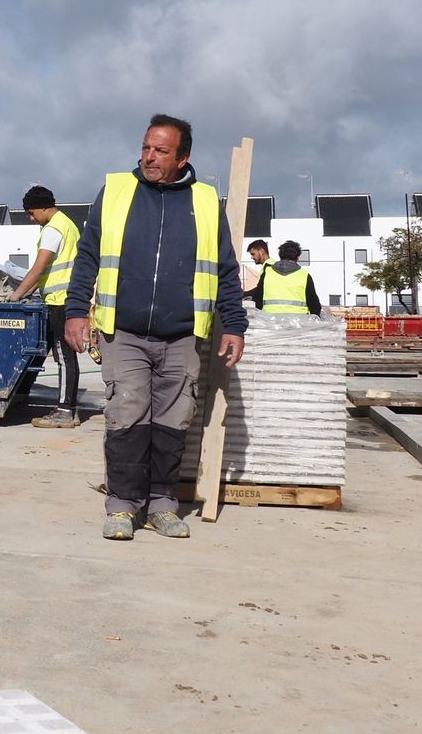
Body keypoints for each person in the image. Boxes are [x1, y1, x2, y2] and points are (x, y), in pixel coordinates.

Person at [63, 114, 247, 542]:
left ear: (183, 158)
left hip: (182, 334)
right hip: (123, 331)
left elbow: (224, 269)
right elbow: (88, 256)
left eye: (161, 151)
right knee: (126, 414)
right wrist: (76, 311)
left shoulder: (204, 201)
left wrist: (234, 325)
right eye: (146, 147)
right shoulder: (116, 192)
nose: (149, 157)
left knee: (173, 421)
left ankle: (162, 504)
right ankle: (124, 506)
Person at [8, 185, 83, 428]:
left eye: (31, 213)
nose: (31, 218)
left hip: (61, 300)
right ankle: (60, 404)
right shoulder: (67, 224)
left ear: (43, 207)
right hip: (61, 298)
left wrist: (16, 295)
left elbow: (40, 267)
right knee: (53, 353)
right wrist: (29, 290)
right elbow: (45, 274)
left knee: (63, 356)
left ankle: (65, 410)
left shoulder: (53, 229)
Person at [250, 240, 322, 315]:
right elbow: (315, 307)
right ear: (297, 258)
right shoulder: (304, 275)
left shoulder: (267, 273)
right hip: (298, 323)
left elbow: (257, 301)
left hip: (270, 322)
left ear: (280, 256)